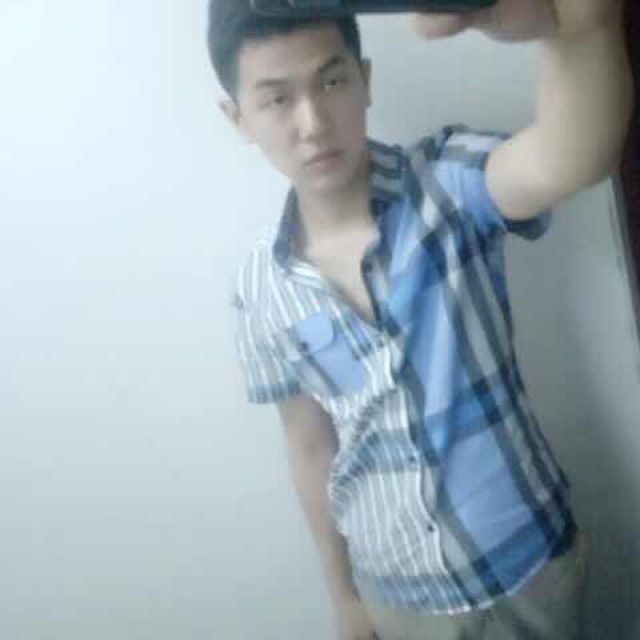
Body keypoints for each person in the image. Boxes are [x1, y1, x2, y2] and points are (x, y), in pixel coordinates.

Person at [208, 1, 632, 638]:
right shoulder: (260, 290)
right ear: (237, 117)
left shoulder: (443, 181)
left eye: (332, 80)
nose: (313, 123)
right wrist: (343, 596)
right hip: (398, 595)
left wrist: (580, 24)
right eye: (276, 99)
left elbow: (570, 159)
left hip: (525, 562)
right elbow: (310, 448)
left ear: (365, 79)